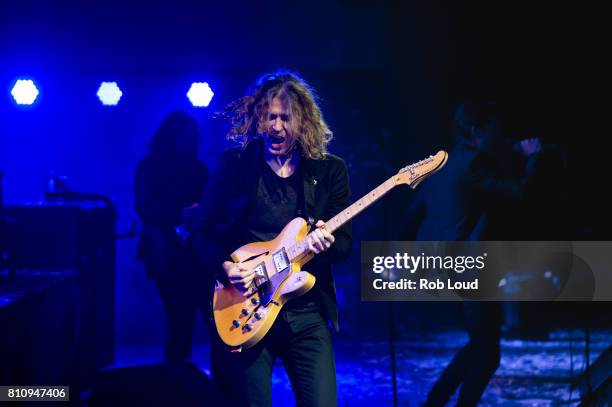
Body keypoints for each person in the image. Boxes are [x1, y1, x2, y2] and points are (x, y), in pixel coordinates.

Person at [192, 70, 352, 406]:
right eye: (268, 117)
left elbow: (345, 246)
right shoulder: (235, 165)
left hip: (305, 311)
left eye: (284, 118)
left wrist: (328, 243)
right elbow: (201, 233)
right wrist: (224, 268)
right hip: (246, 306)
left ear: (303, 121)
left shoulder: (328, 170)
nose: (275, 127)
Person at [406, 101, 542, 406]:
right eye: (495, 131)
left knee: (481, 345)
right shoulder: (474, 162)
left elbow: (413, 215)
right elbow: (520, 194)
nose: (499, 137)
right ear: (477, 131)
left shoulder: (443, 163)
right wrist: (532, 159)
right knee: (487, 354)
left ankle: (436, 400)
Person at [135, 111, 209, 362]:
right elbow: (144, 206)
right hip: (165, 251)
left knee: (200, 317)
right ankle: (177, 382)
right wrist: (181, 212)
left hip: (196, 252)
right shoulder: (151, 166)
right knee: (179, 319)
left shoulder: (198, 168)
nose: (187, 143)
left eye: (191, 137)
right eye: (182, 137)